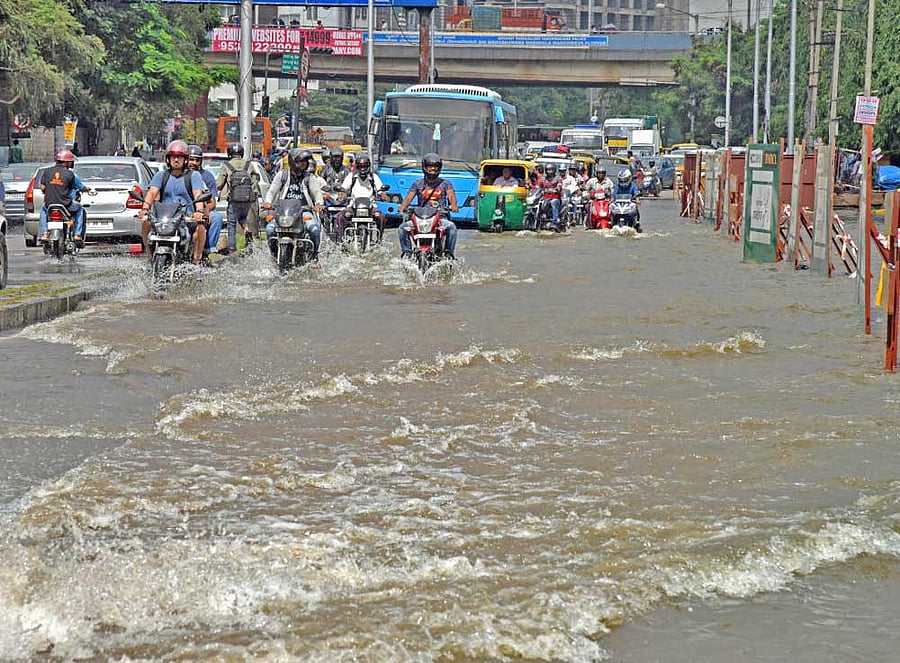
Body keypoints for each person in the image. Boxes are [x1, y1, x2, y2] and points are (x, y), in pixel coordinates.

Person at [139, 139, 207, 264]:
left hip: (186, 218)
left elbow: (198, 194)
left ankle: (196, 260)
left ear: (185, 159)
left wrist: (199, 211)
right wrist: (145, 209)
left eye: (179, 157)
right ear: (168, 159)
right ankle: (149, 256)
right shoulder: (161, 175)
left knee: (200, 229)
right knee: (145, 223)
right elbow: (152, 192)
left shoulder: (194, 175)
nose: (176, 160)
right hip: (164, 218)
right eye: (173, 157)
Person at [263, 148, 324, 261]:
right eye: (301, 161)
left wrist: (319, 204)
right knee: (270, 229)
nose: (304, 163)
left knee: (314, 229)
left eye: (305, 161)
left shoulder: (309, 177)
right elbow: (272, 191)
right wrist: (268, 202)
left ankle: (315, 256)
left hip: (304, 211)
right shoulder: (282, 175)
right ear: (293, 162)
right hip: (284, 212)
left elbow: (317, 193)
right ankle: (274, 254)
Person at [397, 153, 459, 259]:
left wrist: (453, 205)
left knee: (452, 227)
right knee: (402, 228)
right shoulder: (417, 184)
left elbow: (451, 196)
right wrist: (402, 208)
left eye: (436, 166)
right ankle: (407, 253)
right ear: (424, 167)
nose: (433, 169)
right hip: (420, 219)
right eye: (430, 166)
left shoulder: (446, 183)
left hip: (440, 218)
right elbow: (408, 199)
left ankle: (449, 254)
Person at [39, 149, 95, 245]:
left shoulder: (47, 171)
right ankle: (77, 235)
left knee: (43, 210)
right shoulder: (70, 174)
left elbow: (42, 187)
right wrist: (88, 189)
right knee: (80, 209)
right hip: (66, 204)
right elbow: (80, 187)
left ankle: (44, 233)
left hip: (49, 203)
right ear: (67, 162)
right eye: (71, 161)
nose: (72, 163)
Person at [215, 143, 261, 255]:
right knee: (242, 218)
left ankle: (232, 249)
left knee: (231, 224)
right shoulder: (249, 165)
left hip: (233, 199)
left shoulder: (227, 165)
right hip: (247, 199)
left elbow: (219, 184)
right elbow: (255, 181)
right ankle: (247, 231)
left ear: (229, 153)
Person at [336, 152, 388, 239]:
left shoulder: (373, 177)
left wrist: (383, 195)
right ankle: (342, 240)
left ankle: (379, 238)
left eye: (364, 166)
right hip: (353, 206)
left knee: (382, 217)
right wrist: (341, 195)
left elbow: (380, 189)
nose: (362, 169)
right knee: (341, 216)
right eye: (360, 166)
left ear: (368, 166)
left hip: (371, 206)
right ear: (357, 167)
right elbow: (343, 189)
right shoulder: (351, 176)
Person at [186, 145, 224, 259]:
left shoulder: (207, 177)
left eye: (197, 160)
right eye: (191, 159)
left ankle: (208, 251)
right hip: (182, 210)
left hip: (200, 210)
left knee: (216, 217)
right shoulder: (179, 175)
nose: (194, 163)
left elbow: (212, 201)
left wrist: (205, 211)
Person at [613, 167, 642, 232]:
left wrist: (637, 200)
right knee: (612, 212)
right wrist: (610, 201)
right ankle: (612, 222)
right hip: (619, 204)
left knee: (636, 209)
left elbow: (636, 194)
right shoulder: (617, 186)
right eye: (621, 180)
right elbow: (613, 196)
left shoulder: (633, 186)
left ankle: (637, 222)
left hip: (629, 204)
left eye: (625, 180)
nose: (623, 182)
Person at [537, 163, 563, 229]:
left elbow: (559, 185)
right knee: (540, 203)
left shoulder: (558, 178)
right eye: (548, 170)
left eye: (551, 170)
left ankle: (555, 222)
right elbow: (538, 186)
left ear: (554, 170)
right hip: (545, 198)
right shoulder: (543, 178)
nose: (549, 172)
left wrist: (557, 189)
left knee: (553, 203)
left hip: (555, 198)